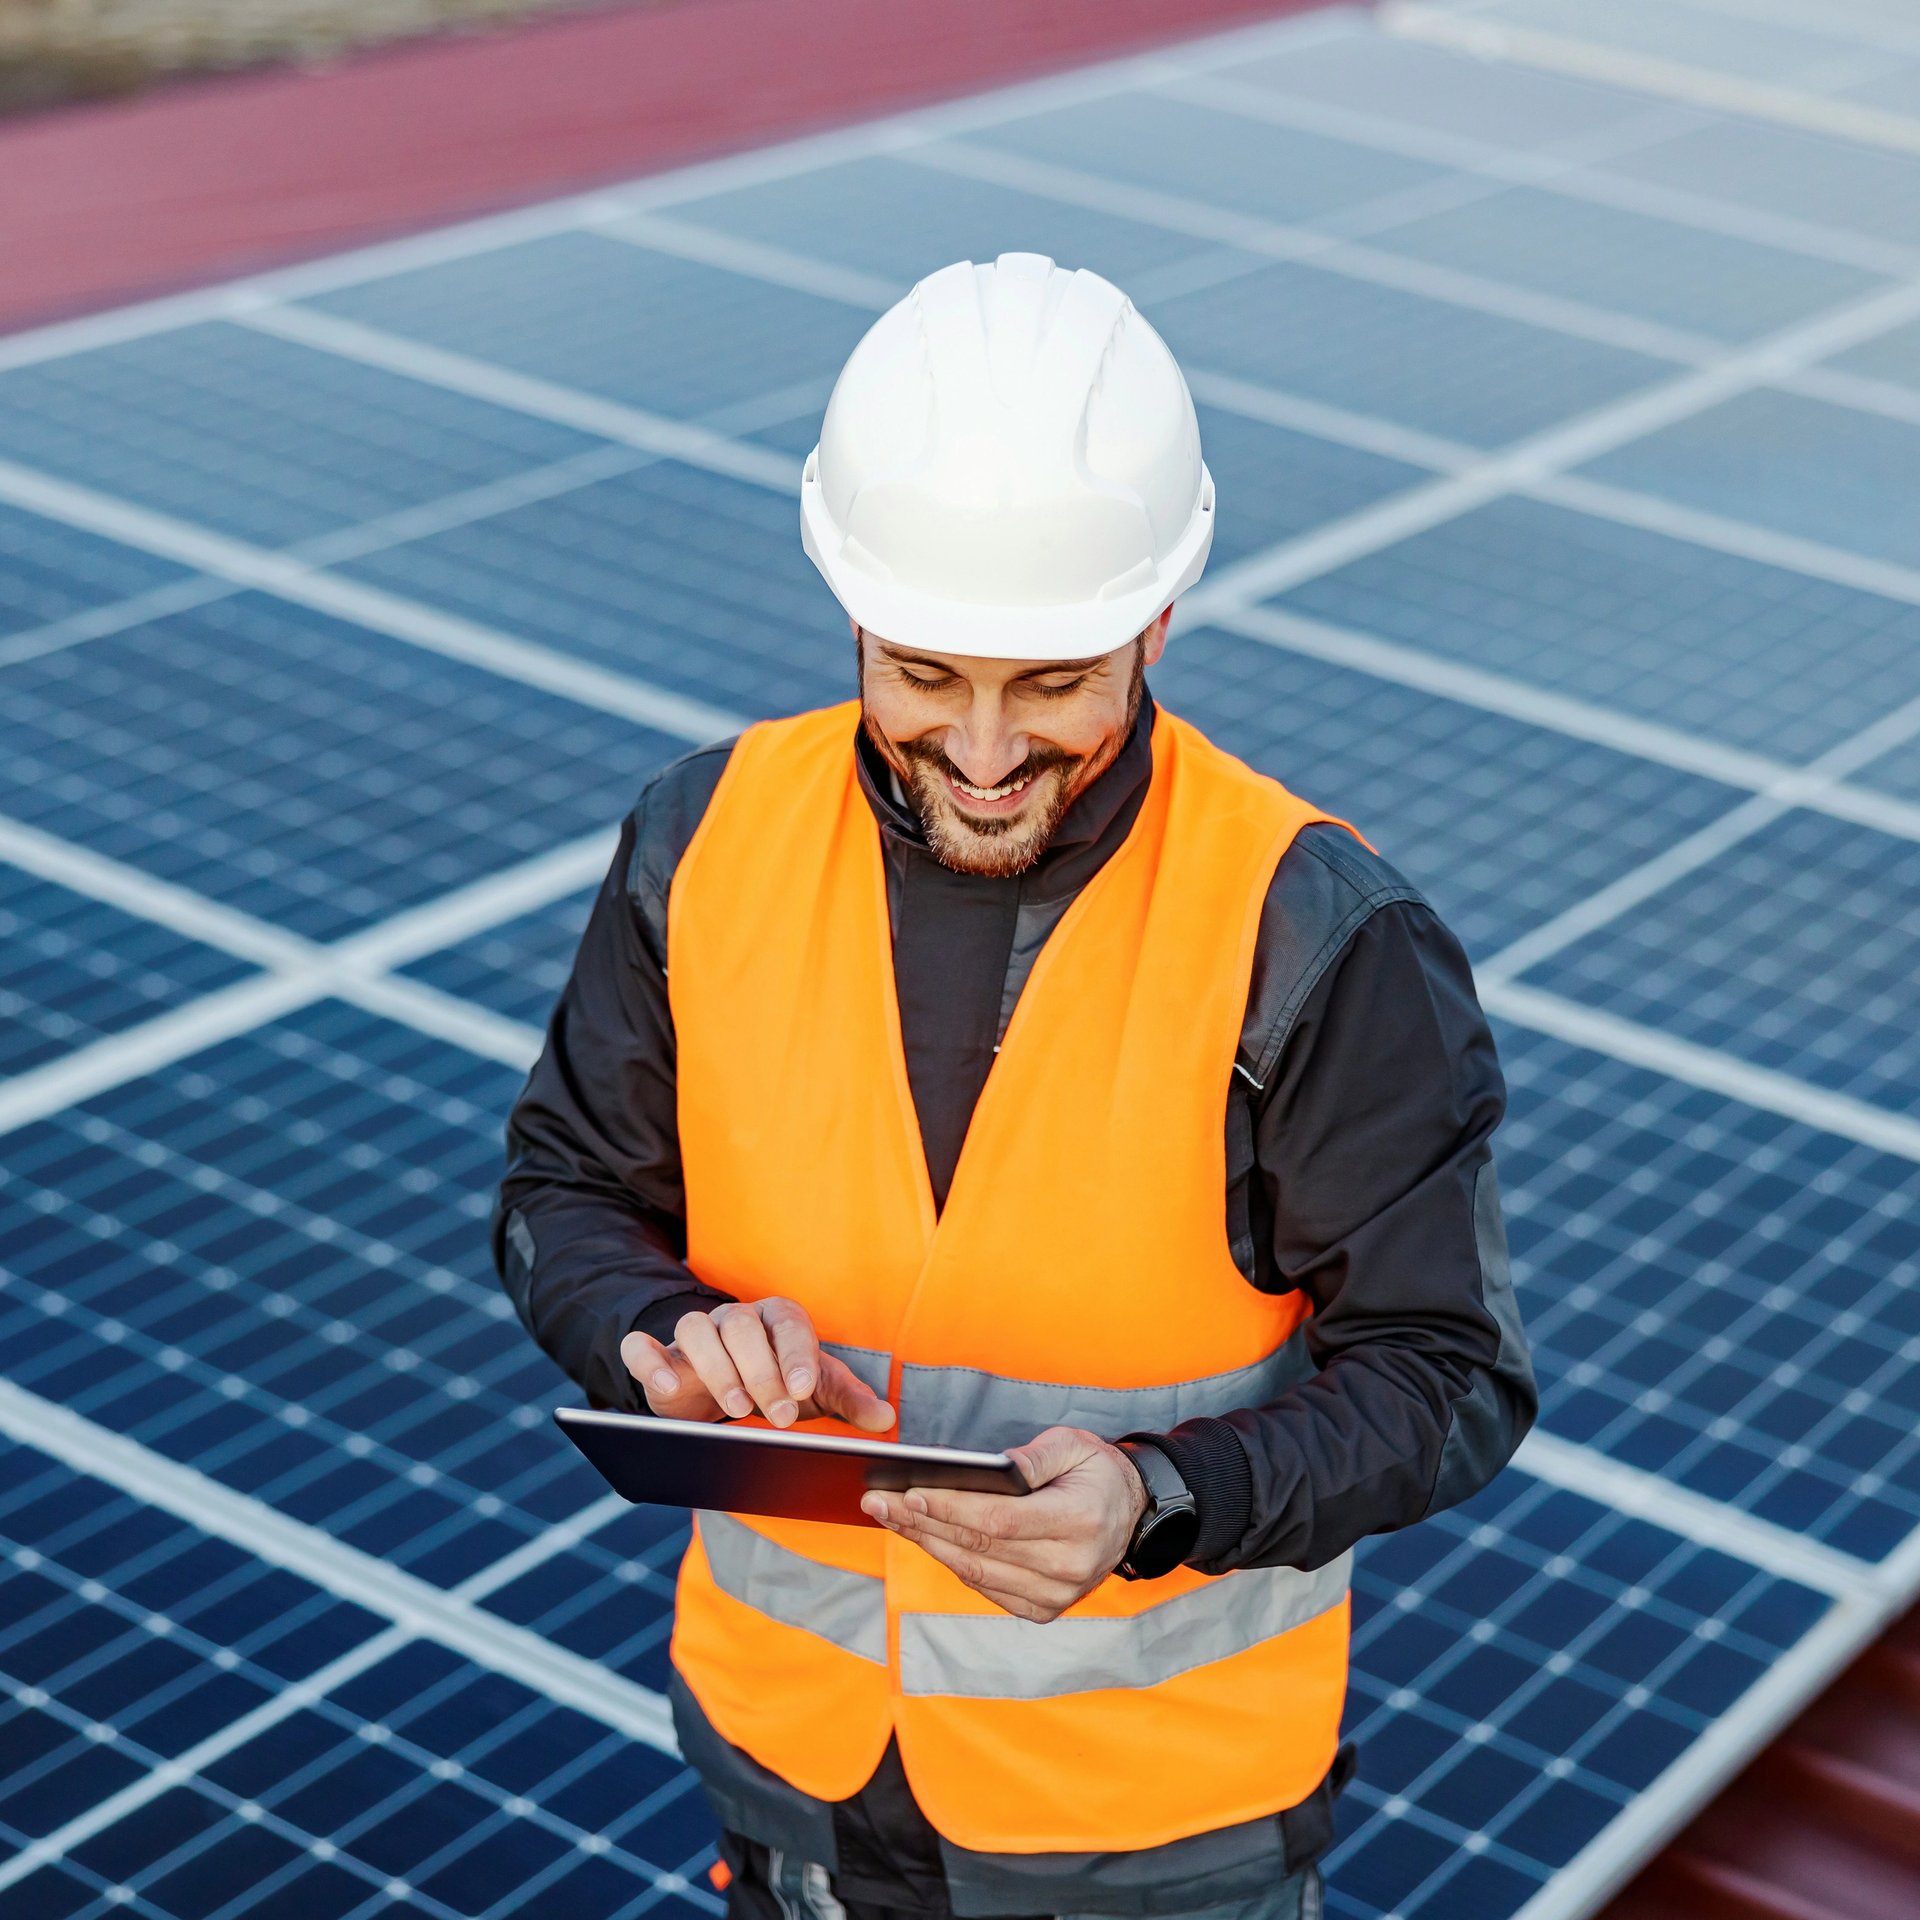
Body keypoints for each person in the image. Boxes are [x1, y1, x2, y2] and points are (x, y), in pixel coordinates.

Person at [493, 253, 1536, 1920]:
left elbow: (1448, 1374)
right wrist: (657, 1330)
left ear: (1157, 622)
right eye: (924, 674)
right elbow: (563, 1194)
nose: (983, 753)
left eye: (1051, 683)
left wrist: (1161, 1499)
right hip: (786, 1773)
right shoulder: (702, 842)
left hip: (1154, 1841)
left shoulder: (1315, 934)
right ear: (852, 616)